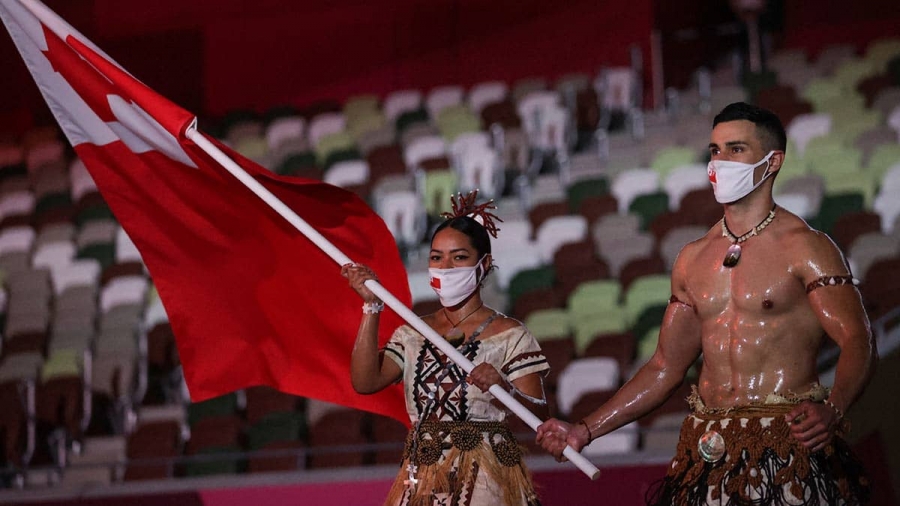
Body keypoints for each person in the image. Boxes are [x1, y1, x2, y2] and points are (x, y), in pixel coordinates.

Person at [536, 102, 876, 505]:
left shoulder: (807, 248)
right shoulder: (693, 258)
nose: (720, 161)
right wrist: (584, 430)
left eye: (736, 149)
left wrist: (833, 409)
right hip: (709, 452)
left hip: (787, 450)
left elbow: (858, 339)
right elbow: (664, 367)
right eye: (715, 150)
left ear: (773, 162)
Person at [342, 191, 549, 506]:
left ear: (485, 264)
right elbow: (365, 382)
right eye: (436, 257)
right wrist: (372, 307)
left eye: (459, 257)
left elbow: (540, 418)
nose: (446, 267)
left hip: (488, 480)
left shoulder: (510, 335)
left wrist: (503, 388)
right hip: (421, 474)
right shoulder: (413, 332)